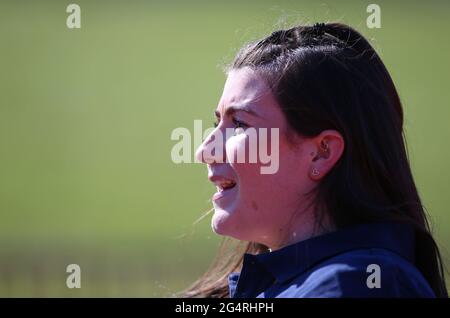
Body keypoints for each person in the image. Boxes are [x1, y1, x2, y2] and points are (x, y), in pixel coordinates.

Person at [185, 22, 448, 298]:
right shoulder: (291, 282)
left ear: (321, 152)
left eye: (239, 124)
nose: (204, 150)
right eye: (217, 122)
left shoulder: (357, 287)